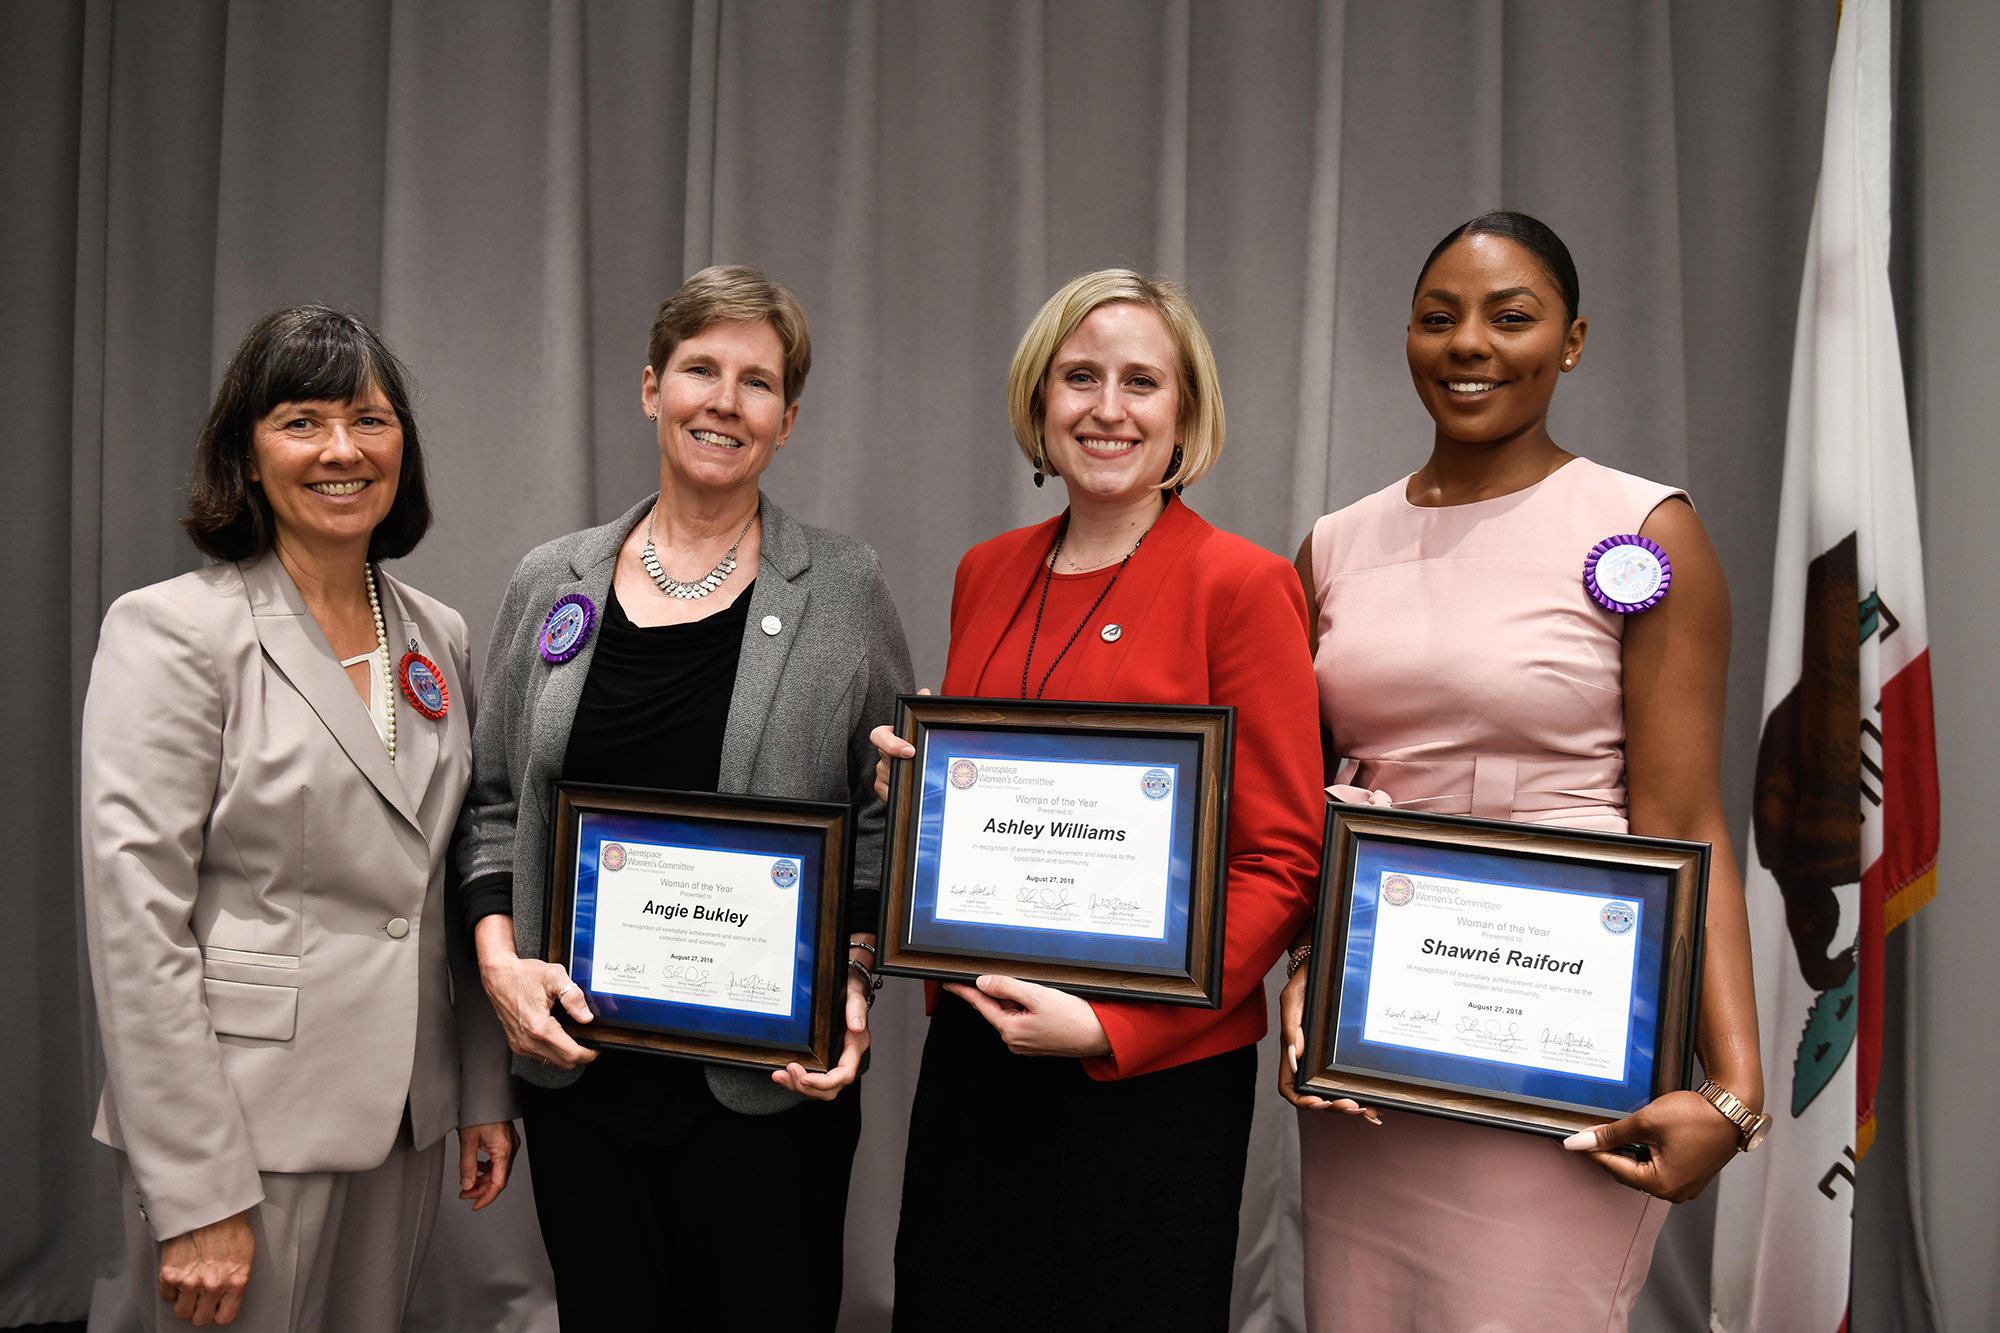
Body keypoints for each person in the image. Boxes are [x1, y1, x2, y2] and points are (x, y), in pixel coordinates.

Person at [1279, 211, 1765, 1329]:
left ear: (1573, 339)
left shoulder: (1643, 530)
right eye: (1437, 318)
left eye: (1510, 317)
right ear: (1403, 335)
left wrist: (1731, 1091)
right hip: (1378, 1057)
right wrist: (1306, 972)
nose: (1468, 345)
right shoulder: (1332, 542)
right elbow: (1301, 806)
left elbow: (1687, 817)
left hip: (1567, 1041)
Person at [455, 265, 913, 1329]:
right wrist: (499, 969)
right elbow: (490, 802)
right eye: (700, 369)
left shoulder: (843, 589)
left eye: (756, 383)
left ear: (786, 421)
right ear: (649, 386)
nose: (723, 399)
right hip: (579, 1069)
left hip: (762, 1092)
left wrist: (850, 979)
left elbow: (883, 818)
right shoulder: (550, 580)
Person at [872, 270, 1324, 1332]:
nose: (1106, 408)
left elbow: (1280, 864)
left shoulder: (1241, 584)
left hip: (1150, 1081)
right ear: (1038, 401)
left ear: (1185, 414)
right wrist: (925, 798)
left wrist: (1112, 1024)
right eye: (1079, 377)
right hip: (982, 1052)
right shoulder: (986, 571)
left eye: (1140, 382)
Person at [80, 306, 516, 1331]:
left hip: (405, 1115)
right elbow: (135, 926)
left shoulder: (436, 632)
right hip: (242, 1129)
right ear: (246, 450)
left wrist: (481, 1084)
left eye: (368, 418)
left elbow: (452, 870)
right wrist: (195, 1189)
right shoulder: (173, 632)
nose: (340, 449)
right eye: (300, 420)